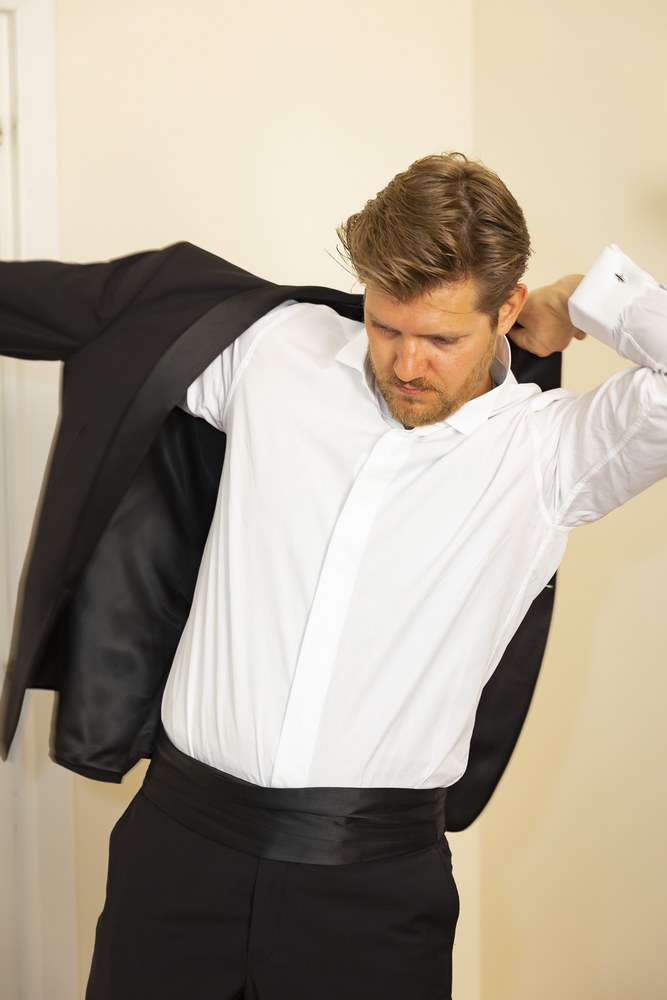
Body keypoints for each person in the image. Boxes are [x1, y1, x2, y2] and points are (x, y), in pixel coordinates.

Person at [1, 153, 665, 999]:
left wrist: (587, 298)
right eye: (387, 326)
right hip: (175, 859)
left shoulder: (554, 453)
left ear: (505, 310)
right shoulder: (277, 353)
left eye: (442, 338)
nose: (406, 364)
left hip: (372, 898)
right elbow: (104, 314)